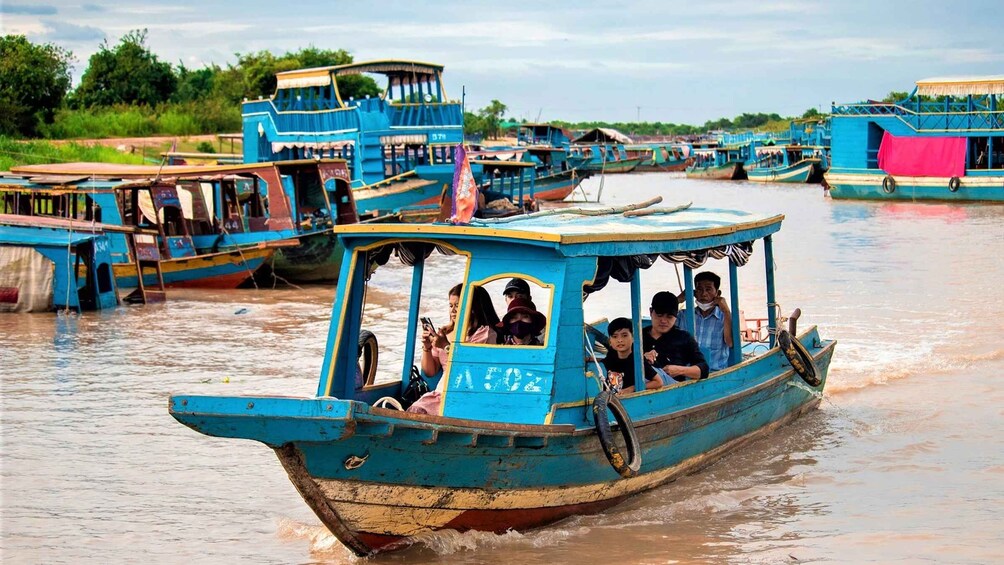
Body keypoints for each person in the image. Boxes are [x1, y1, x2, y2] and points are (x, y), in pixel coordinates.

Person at [409, 285, 500, 415]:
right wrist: (427, 347)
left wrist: (446, 346)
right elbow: (430, 371)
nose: (453, 311)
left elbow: (469, 366)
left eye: (458, 305)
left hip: (468, 393)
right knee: (416, 410)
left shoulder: (485, 334)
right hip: (441, 393)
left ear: (473, 307)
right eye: (451, 306)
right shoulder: (445, 333)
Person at [642, 291, 709, 381]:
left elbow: (704, 370)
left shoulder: (683, 338)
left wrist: (680, 370)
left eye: (669, 317)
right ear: (650, 312)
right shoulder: (638, 337)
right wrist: (641, 360)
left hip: (674, 389)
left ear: (676, 315)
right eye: (659, 315)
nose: (664, 321)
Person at [676, 271, 732, 372]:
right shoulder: (683, 315)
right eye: (699, 289)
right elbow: (661, 317)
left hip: (714, 374)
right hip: (685, 373)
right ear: (694, 293)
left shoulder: (724, 317)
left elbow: (731, 342)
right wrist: (678, 300)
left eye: (708, 289)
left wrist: (726, 311)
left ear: (717, 293)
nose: (704, 294)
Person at [601, 317, 663, 394]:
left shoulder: (637, 360)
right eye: (615, 336)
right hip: (612, 399)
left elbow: (658, 382)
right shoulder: (611, 356)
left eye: (624, 335)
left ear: (633, 337)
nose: (619, 340)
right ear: (610, 341)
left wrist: (632, 388)